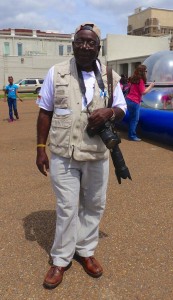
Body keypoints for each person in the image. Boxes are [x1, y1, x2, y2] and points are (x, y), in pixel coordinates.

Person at [36, 22, 127, 289]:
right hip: (64, 154)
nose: (85, 46)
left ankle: (85, 250)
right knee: (67, 208)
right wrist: (41, 149)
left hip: (97, 154)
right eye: (81, 41)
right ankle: (61, 259)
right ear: (73, 43)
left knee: (95, 204)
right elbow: (45, 112)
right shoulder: (57, 72)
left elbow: (121, 106)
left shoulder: (110, 76)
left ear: (98, 48)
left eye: (91, 43)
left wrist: (109, 113)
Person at [125, 64, 155, 141]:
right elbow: (143, 92)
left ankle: (130, 134)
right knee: (135, 119)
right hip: (135, 101)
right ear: (143, 72)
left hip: (128, 100)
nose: (146, 72)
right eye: (146, 71)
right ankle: (132, 136)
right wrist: (151, 86)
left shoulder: (133, 79)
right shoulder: (140, 80)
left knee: (131, 118)